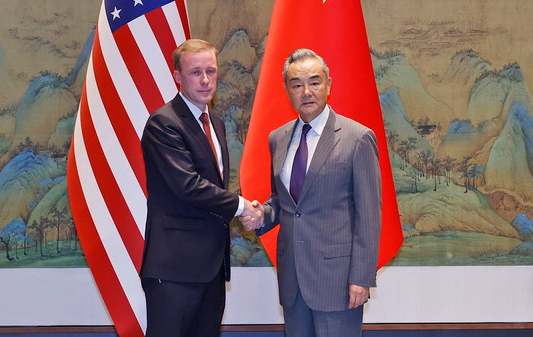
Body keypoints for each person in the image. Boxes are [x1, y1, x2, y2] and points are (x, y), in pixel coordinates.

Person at [242, 48, 381, 337]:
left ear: (329, 85)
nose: (306, 91)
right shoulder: (277, 138)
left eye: (315, 82)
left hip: (339, 282)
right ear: (287, 91)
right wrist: (260, 215)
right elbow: (284, 202)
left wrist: (361, 278)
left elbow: (369, 216)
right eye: (296, 84)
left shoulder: (358, 138)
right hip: (293, 280)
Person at [140, 39, 262, 337]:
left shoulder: (216, 123)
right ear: (178, 77)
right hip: (174, 269)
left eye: (211, 70)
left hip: (211, 269)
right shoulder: (164, 123)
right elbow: (189, 187)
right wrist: (244, 207)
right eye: (196, 72)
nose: (206, 80)